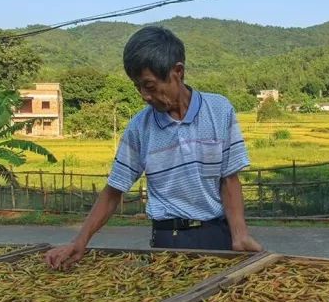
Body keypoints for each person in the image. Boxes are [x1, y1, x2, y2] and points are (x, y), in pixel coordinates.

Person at [45, 26, 262, 270]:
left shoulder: (219, 110)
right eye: (137, 87)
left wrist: (240, 235)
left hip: (217, 235)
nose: (144, 96)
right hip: (169, 239)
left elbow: (229, 179)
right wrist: (79, 241)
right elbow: (113, 192)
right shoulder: (140, 127)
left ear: (177, 72)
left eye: (149, 85)